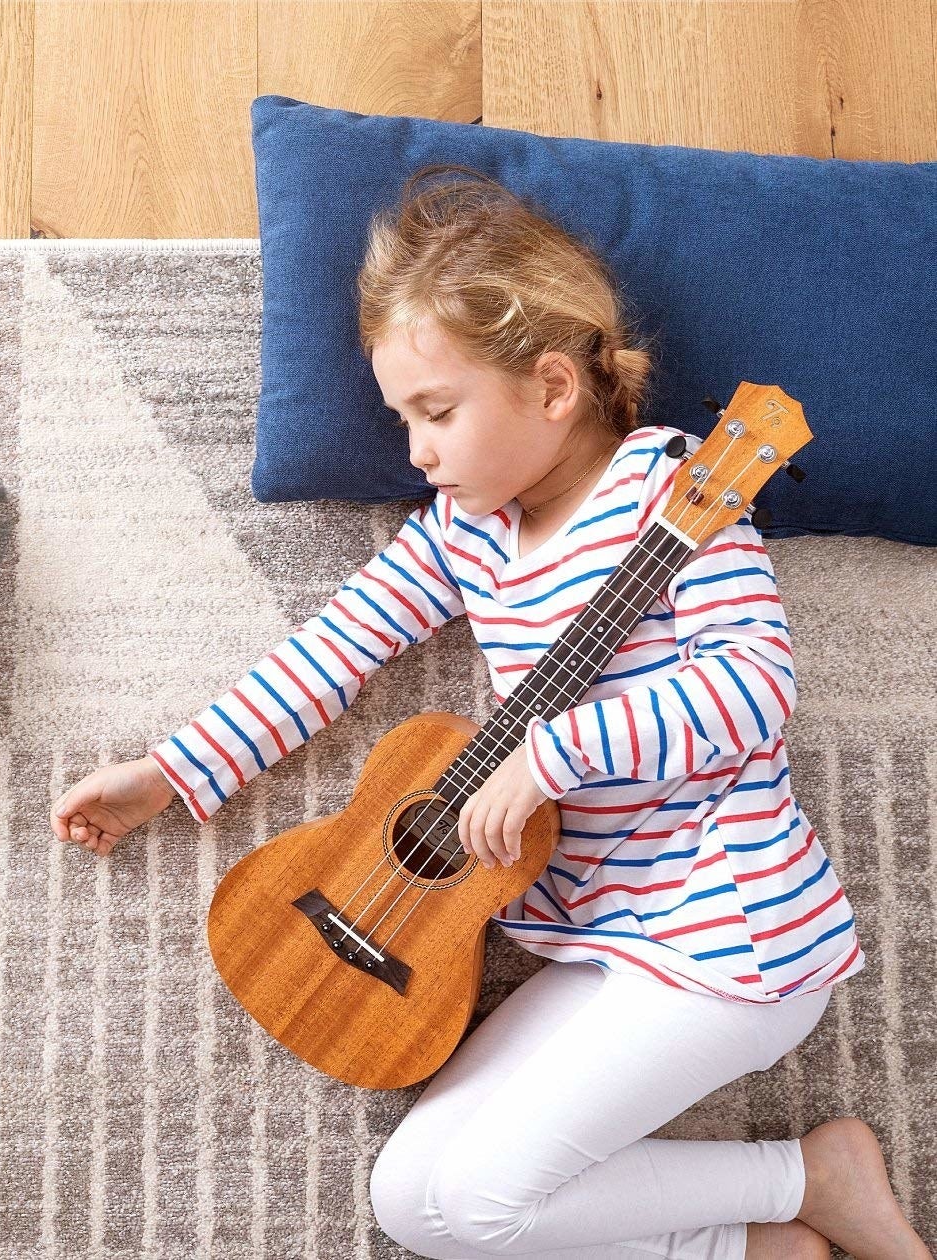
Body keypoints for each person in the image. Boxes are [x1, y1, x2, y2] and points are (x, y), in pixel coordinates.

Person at [47, 166, 930, 1260]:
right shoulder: (463, 530)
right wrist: (174, 775)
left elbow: (754, 687)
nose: (415, 450)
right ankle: (769, 1230)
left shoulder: (677, 497)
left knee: (477, 1205)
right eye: (402, 418)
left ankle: (803, 1171)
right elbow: (334, 650)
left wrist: (550, 756)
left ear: (553, 388)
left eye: (437, 412)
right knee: (412, 1202)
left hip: (728, 937)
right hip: (590, 940)